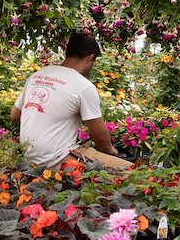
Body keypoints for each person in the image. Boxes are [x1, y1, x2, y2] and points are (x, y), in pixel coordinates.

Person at [11, 32, 132, 170]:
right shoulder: (83, 86)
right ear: (90, 58)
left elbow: (15, 115)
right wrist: (111, 150)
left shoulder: (37, 75)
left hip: (28, 159)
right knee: (131, 171)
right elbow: (100, 137)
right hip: (58, 160)